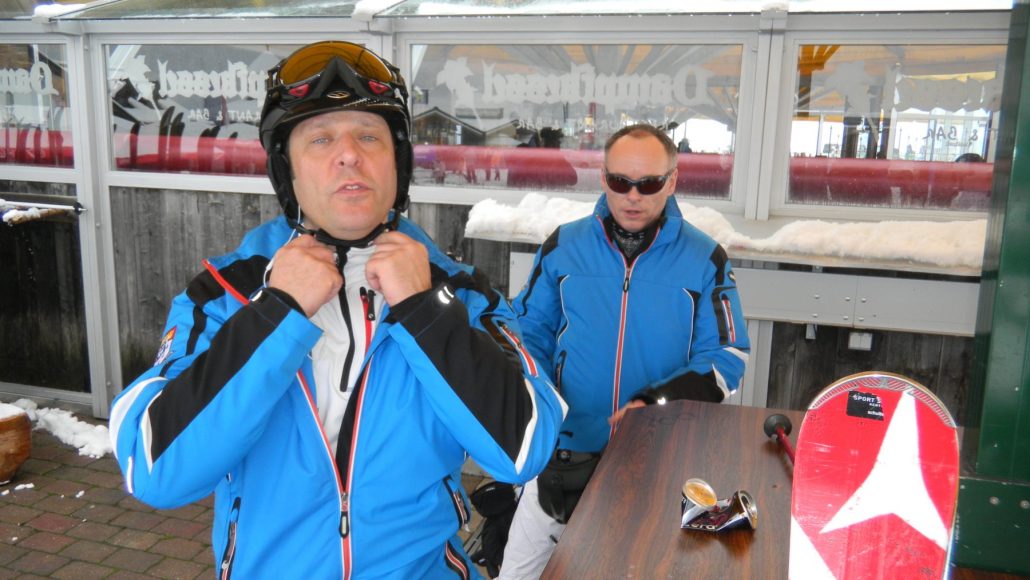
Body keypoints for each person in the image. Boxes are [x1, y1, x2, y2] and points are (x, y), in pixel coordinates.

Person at [108, 40, 566, 578]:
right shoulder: (226, 294)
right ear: (289, 172)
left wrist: (423, 309)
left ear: (397, 165)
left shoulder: (461, 294)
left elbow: (524, 448)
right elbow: (154, 468)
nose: (348, 154)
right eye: (320, 138)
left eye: (369, 136)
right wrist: (276, 311)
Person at [499, 123, 750, 579]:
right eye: (620, 182)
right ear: (603, 177)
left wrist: (657, 403)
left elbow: (728, 356)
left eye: (649, 184)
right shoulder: (563, 246)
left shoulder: (705, 258)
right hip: (562, 452)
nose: (633, 196)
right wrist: (541, 401)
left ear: (672, 182)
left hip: (658, 458)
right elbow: (527, 332)